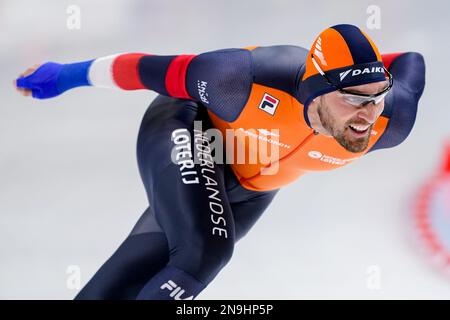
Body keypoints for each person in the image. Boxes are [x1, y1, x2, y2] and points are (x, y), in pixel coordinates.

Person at [14, 24, 426, 300]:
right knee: (204, 252)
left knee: (137, 270)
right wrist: (66, 75)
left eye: (375, 96)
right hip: (189, 124)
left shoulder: (391, 120)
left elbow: (412, 60)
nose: (367, 114)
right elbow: (143, 69)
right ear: (316, 89)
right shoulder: (240, 79)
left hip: (250, 187)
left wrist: (363, 77)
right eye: (353, 98)